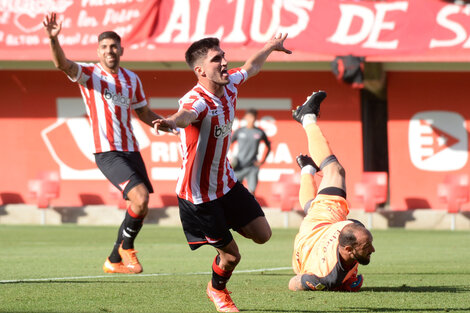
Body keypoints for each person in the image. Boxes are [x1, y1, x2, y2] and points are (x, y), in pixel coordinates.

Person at [153, 35, 291, 312]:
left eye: (224, 55)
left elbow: (251, 67)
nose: (225, 62)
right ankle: (217, 290)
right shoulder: (198, 100)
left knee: (263, 234)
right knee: (231, 257)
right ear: (200, 71)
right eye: (217, 59)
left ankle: (224, 225)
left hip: (226, 183)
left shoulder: (230, 85)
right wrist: (170, 122)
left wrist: (269, 47)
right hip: (199, 196)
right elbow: (186, 115)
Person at [43, 13, 165, 274]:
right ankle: (127, 248)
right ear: (98, 52)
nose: (109, 51)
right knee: (140, 198)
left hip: (131, 149)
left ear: (121, 49)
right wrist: (54, 40)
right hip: (107, 151)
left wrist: (165, 123)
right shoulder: (89, 73)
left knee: (138, 206)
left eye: (113, 46)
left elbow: (143, 112)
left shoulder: (132, 79)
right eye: (104, 47)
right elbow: (61, 64)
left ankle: (113, 260)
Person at [288, 91, 375, 292]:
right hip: (311, 237)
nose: (372, 249)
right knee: (313, 208)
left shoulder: (326, 277)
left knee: (335, 171)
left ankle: (307, 117)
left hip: (309, 254)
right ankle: (308, 170)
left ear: (348, 249)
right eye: (368, 245)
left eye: (366, 246)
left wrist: (310, 282)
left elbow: (293, 283)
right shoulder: (350, 231)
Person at [231, 108, 271, 194]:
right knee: (234, 191)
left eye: (253, 117)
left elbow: (269, 146)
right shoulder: (239, 131)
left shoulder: (260, 132)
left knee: (252, 191)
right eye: (249, 117)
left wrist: (262, 161)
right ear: (245, 117)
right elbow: (228, 143)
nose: (251, 120)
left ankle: (249, 207)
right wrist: (231, 158)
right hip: (239, 165)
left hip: (253, 165)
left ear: (256, 118)